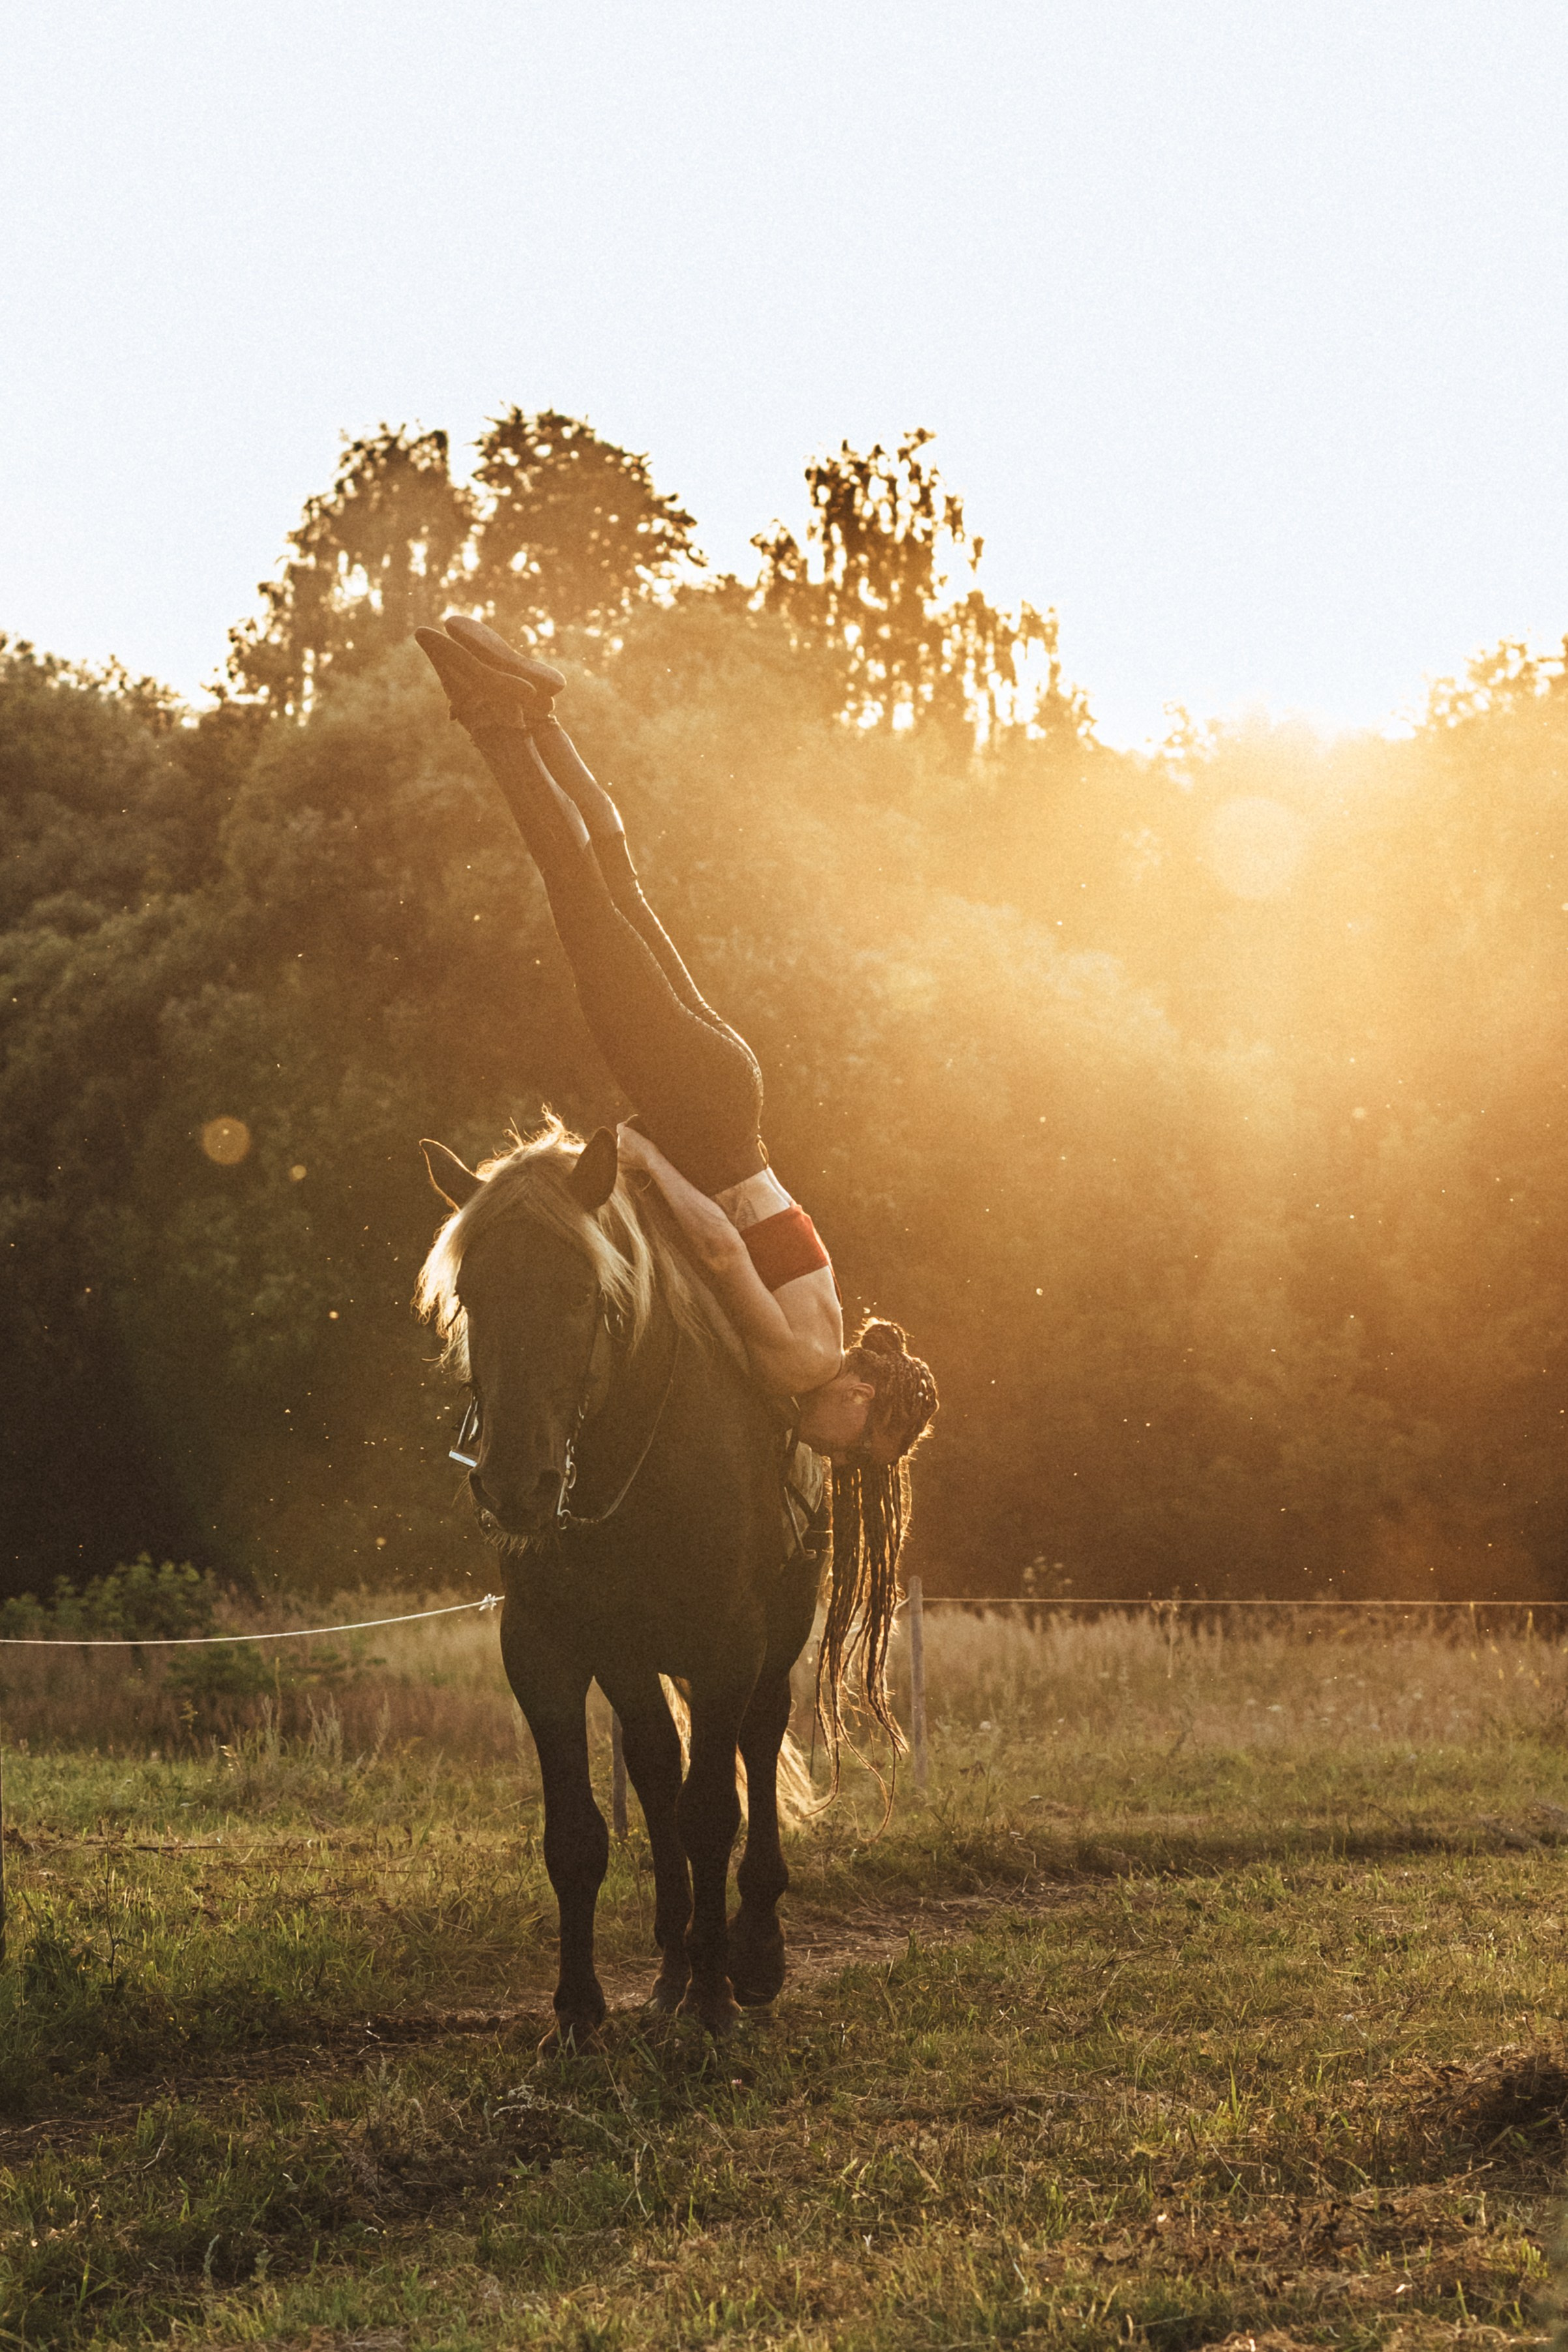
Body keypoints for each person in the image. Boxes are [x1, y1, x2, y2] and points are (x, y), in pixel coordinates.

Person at [414, 615, 938, 1484]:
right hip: (695, 1112)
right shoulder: (803, 1365)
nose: (836, 1453)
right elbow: (723, 1251)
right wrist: (647, 1156)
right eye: (858, 1445)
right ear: (862, 1399)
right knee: (578, 896)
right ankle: (490, 718)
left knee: (616, 882)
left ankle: (537, 711)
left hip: (732, 1090)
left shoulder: (828, 1317)